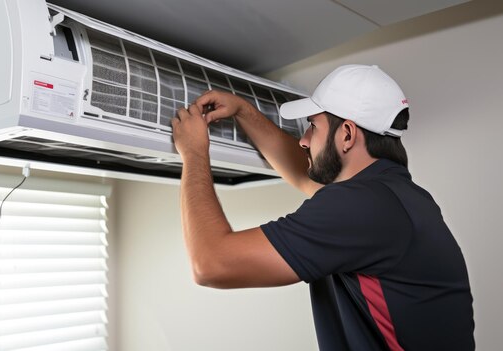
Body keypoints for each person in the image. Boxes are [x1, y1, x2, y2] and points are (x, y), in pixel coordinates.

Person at [171, 64, 474, 350]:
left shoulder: (363, 206)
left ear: (346, 135)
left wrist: (195, 153)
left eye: (313, 127)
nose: (303, 141)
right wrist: (243, 111)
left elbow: (210, 264)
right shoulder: (396, 197)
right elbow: (307, 176)